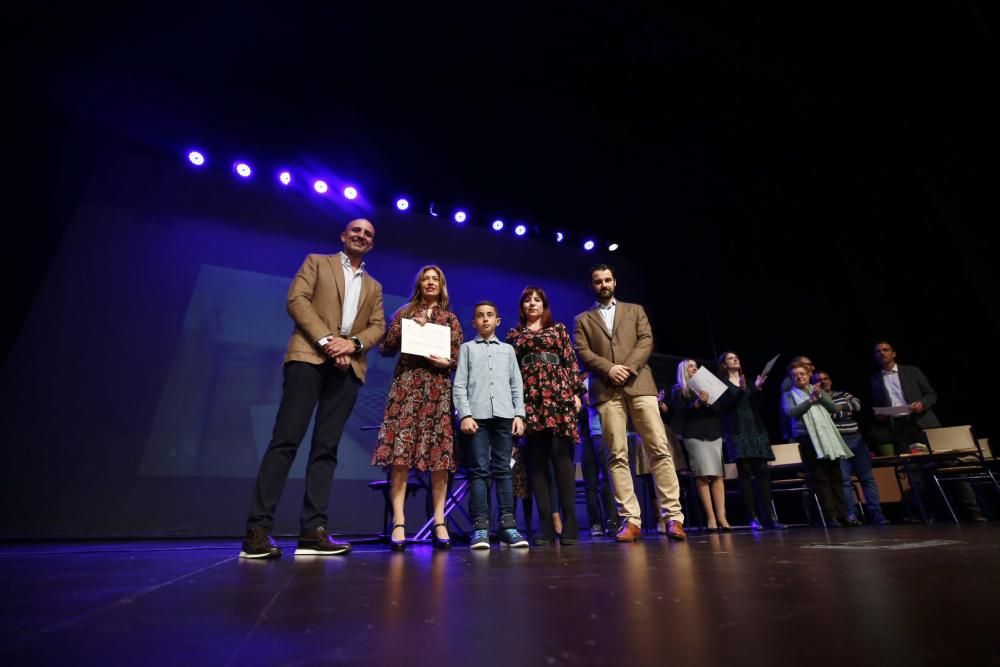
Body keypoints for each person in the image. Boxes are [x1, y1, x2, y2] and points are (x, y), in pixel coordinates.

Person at [241, 218, 385, 559]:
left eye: (368, 234)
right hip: (308, 358)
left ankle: (312, 531)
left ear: (372, 244)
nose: (361, 236)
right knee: (285, 441)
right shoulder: (317, 262)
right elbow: (297, 300)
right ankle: (257, 531)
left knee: (326, 449)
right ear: (343, 235)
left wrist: (351, 345)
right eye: (356, 230)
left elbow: (378, 326)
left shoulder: (374, 286)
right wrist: (326, 341)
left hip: (348, 368)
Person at [573, 264, 687, 542]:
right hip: (607, 389)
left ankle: (673, 517)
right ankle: (631, 520)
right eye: (598, 281)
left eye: (607, 279)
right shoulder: (582, 319)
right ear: (592, 285)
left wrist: (627, 367)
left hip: (640, 386)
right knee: (617, 455)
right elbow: (582, 351)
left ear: (615, 282)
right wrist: (610, 369)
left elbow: (646, 341)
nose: (603, 284)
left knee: (659, 448)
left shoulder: (635, 310)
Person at [371, 265, 464, 550]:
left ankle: (439, 521)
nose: (431, 282)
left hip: (437, 390)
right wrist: (401, 328)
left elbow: (459, 358)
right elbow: (385, 349)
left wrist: (446, 362)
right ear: (419, 284)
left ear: (442, 285)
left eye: (436, 279)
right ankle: (399, 521)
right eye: (426, 278)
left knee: (439, 459)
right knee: (400, 456)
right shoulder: (404, 313)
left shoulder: (450, 318)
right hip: (407, 388)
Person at [869, 340, 985, 522]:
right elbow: (879, 406)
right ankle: (927, 514)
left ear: (893, 353)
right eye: (878, 351)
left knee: (949, 466)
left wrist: (922, 404)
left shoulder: (911, 371)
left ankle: (973, 511)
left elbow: (931, 394)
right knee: (915, 475)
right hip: (900, 428)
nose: (882, 353)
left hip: (924, 424)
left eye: (885, 350)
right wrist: (881, 415)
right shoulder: (875, 380)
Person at [507, 286, 584, 545]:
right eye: (527, 300)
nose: (532, 304)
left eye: (537, 300)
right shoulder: (514, 334)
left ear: (544, 305)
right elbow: (511, 372)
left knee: (562, 461)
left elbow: (570, 361)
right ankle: (545, 526)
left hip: (559, 398)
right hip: (530, 400)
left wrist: (576, 393)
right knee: (537, 464)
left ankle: (570, 521)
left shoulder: (559, 329)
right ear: (522, 307)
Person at [452, 301, 529, 549]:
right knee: (479, 471)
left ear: (498, 321)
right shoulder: (466, 349)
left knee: (504, 470)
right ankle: (480, 528)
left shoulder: (507, 350)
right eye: (479, 316)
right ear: (473, 322)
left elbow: (516, 384)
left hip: (505, 416)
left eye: (490, 315)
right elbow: (460, 385)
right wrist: (465, 415)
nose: (485, 319)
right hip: (477, 418)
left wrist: (519, 415)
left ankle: (508, 526)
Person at [812, 370, 890, 525]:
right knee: (845, 481)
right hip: (837, 442)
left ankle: (877, 514)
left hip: (856, 440)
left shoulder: (842, 394)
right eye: (818, 380)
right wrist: (842, 410)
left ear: (831, 380)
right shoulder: (817, 400)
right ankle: (851, 515)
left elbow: (857, 404)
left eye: (825, 378)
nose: (823, 382)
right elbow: (828, 416)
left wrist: (837, 407)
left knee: (867, 479)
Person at [782, 363, 856, 526]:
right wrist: (810, 401)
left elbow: (834, 408)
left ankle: (842, 514)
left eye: (802, 374)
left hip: (827, 436)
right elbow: (790, 412)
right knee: (820, 478)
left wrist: (819, 396)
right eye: (795, 375)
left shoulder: (817, 391)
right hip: (807, 438)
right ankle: (830, 516)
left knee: (836, 476)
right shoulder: (789, 395)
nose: (799, 377)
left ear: (808, 375)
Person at [715, 351, 782, 530]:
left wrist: (758, 389)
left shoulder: (750, 381)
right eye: (730, 358)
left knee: (762, 471)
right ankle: (752, 518)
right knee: (745, 472)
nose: (735, 359)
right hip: (737, 430)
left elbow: (759, 406)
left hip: (755, 428)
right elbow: (726, 407)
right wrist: (741, 391)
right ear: (723, 365)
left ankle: (769, 517)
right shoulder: (721, 384)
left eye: (736, 357)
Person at [671, 359, 730, 531]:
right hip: (694, 436)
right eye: (690, 366)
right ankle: (710, 517)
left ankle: (722, 516)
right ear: (683, 370)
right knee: (702, 475)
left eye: (696, 366)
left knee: (718, 475)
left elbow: (719, 411)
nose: (694, 368)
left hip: (713, 434)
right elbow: (681, 413)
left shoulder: (709, 387)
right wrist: (697, 403)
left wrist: (707, 401)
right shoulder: (679, 390)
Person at [580, 370, 619, 537]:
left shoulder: (598, 380)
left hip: (599, 432)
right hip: (585, 436)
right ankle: (595, 523)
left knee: (606, 477)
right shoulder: (578, 384)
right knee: (590, 483)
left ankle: (612, 521)